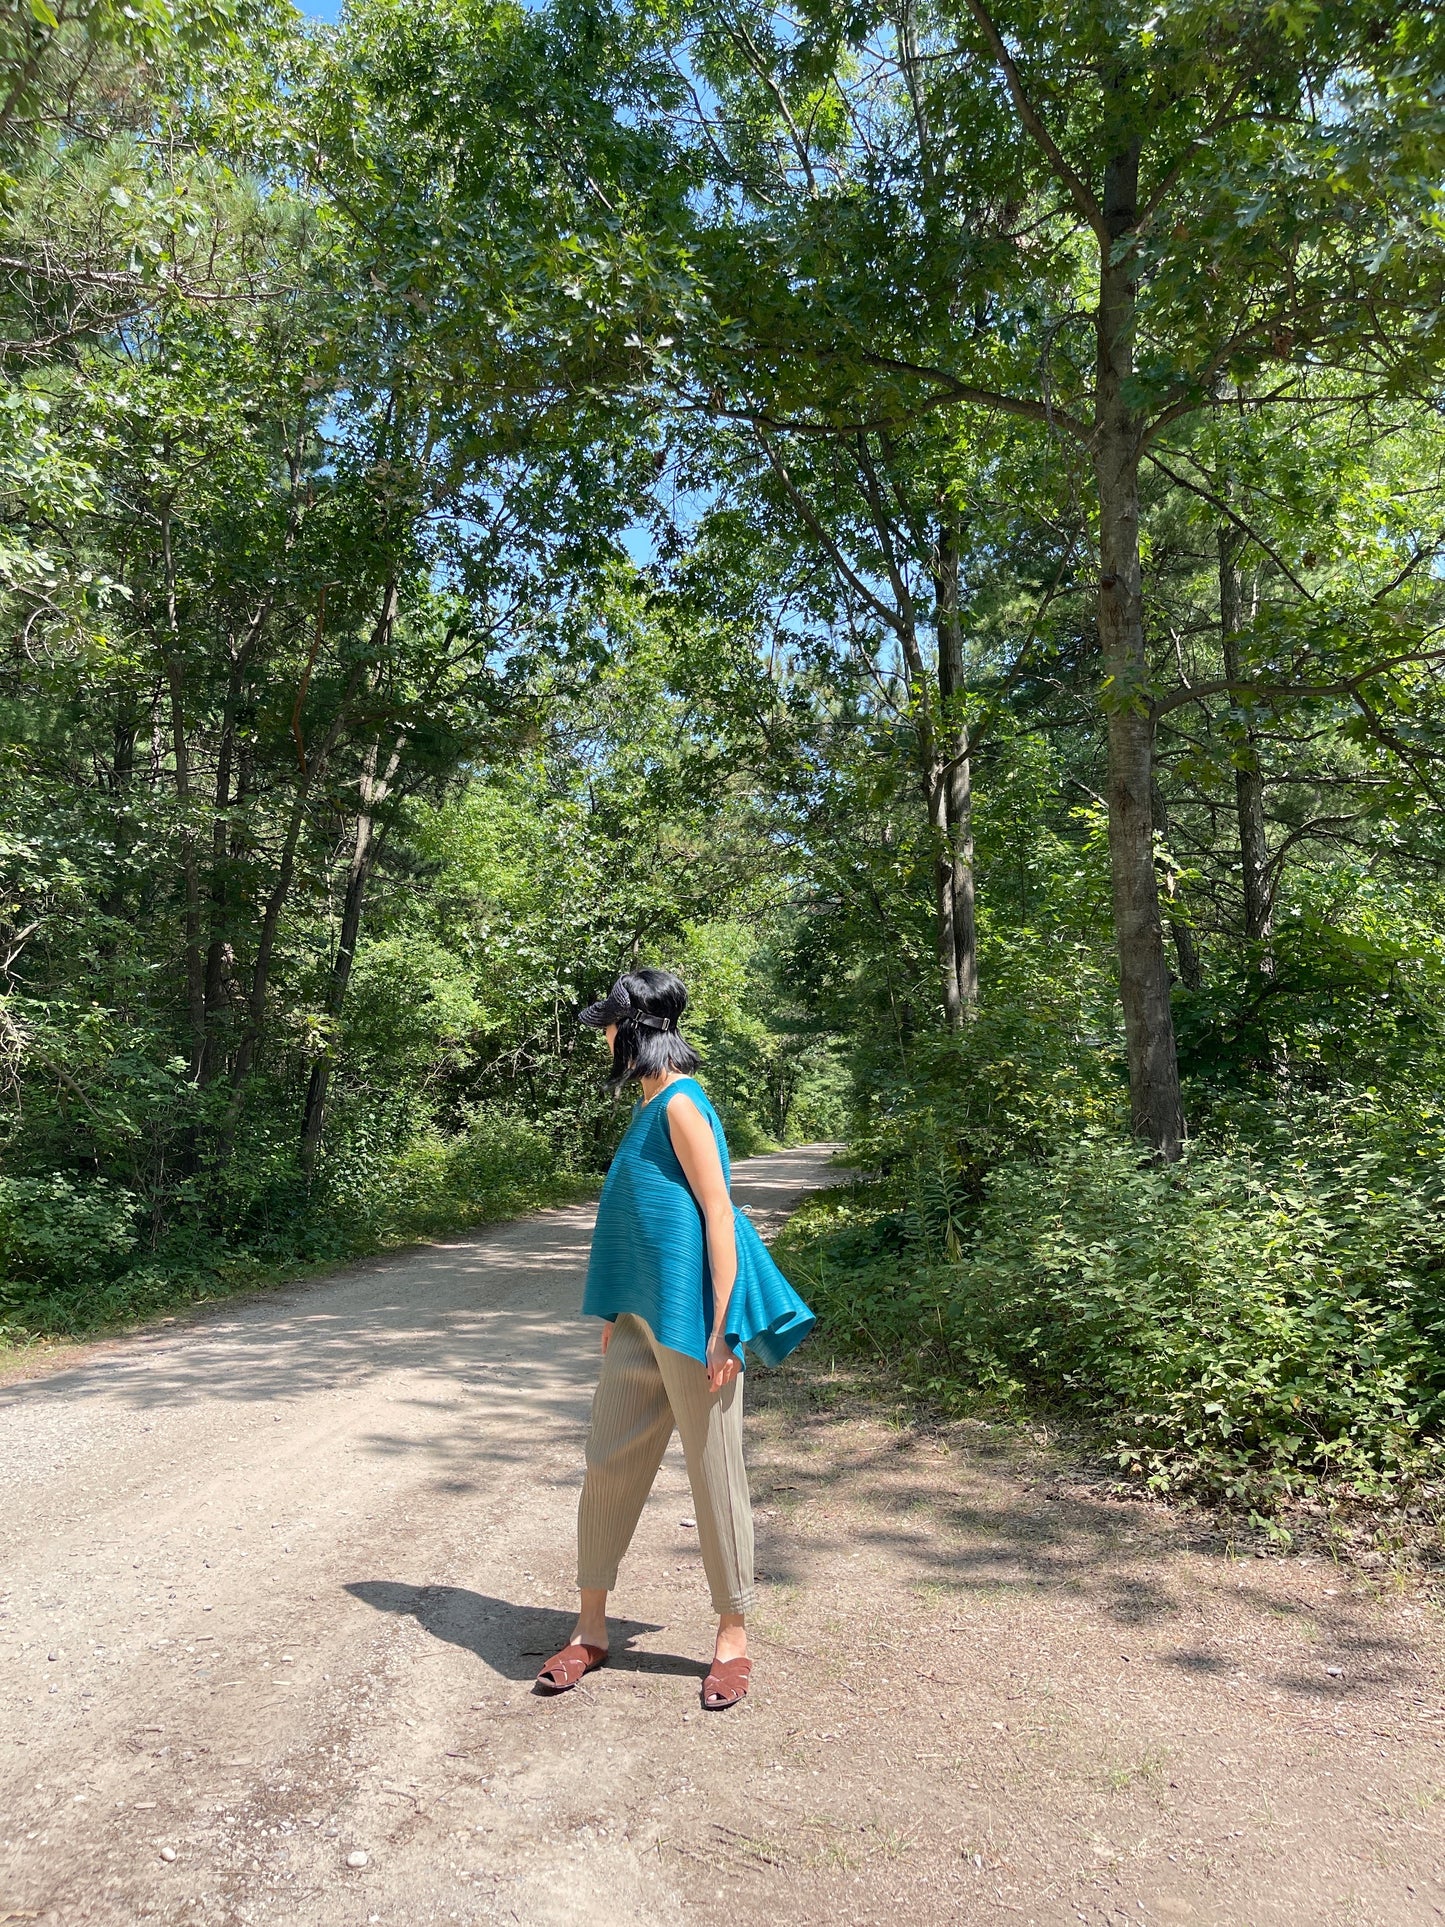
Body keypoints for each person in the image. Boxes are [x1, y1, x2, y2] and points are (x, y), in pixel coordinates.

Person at [535, 967, 815, 1711]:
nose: (601, 1034)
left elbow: (718, 1215)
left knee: (714, 1470)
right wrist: (612, 1315)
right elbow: (640, 1220)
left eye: (607, 1023)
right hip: (637, 1320)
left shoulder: (684, 1104)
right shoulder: (645, 1104)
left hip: (694, 1323)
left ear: (633, 1028)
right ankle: (590, 1627)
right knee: (606, 1462)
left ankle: (732, 1635)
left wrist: (725, 1325)